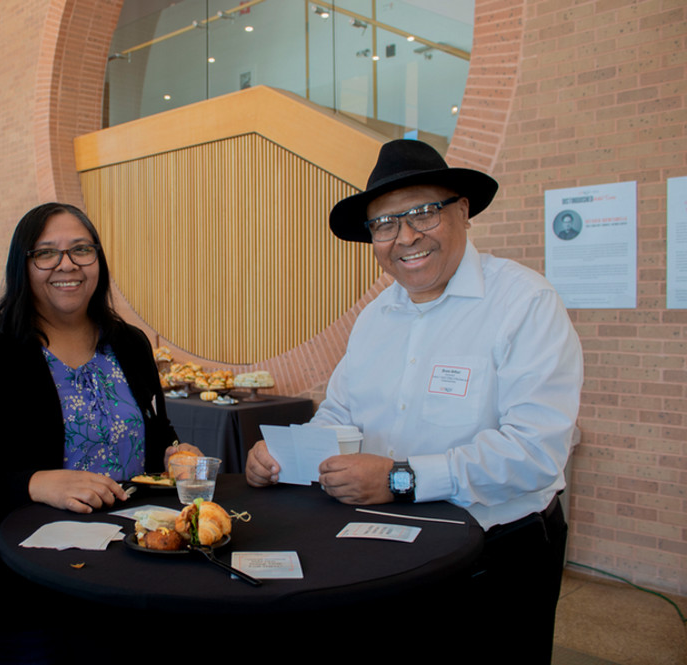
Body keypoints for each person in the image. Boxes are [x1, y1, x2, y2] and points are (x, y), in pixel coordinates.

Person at [246, 139, 583, 662]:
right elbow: (341, 414)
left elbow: (534, 453)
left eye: (423, 213)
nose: (404, 237)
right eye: (384, 224)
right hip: (386, 543)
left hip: (499, 550)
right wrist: (283, 455)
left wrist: (398, 479)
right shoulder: (376, 316)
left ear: (463, 211)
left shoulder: (524, 303)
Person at [0, 202, 193, 663]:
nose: (67, 264)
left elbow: (156, 436)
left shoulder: (130, 345)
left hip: (128, 573)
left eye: (81, 249)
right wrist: (36, 482)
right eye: (47, 253)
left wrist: (176, 453)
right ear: (24, 265)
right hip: (25, 588)